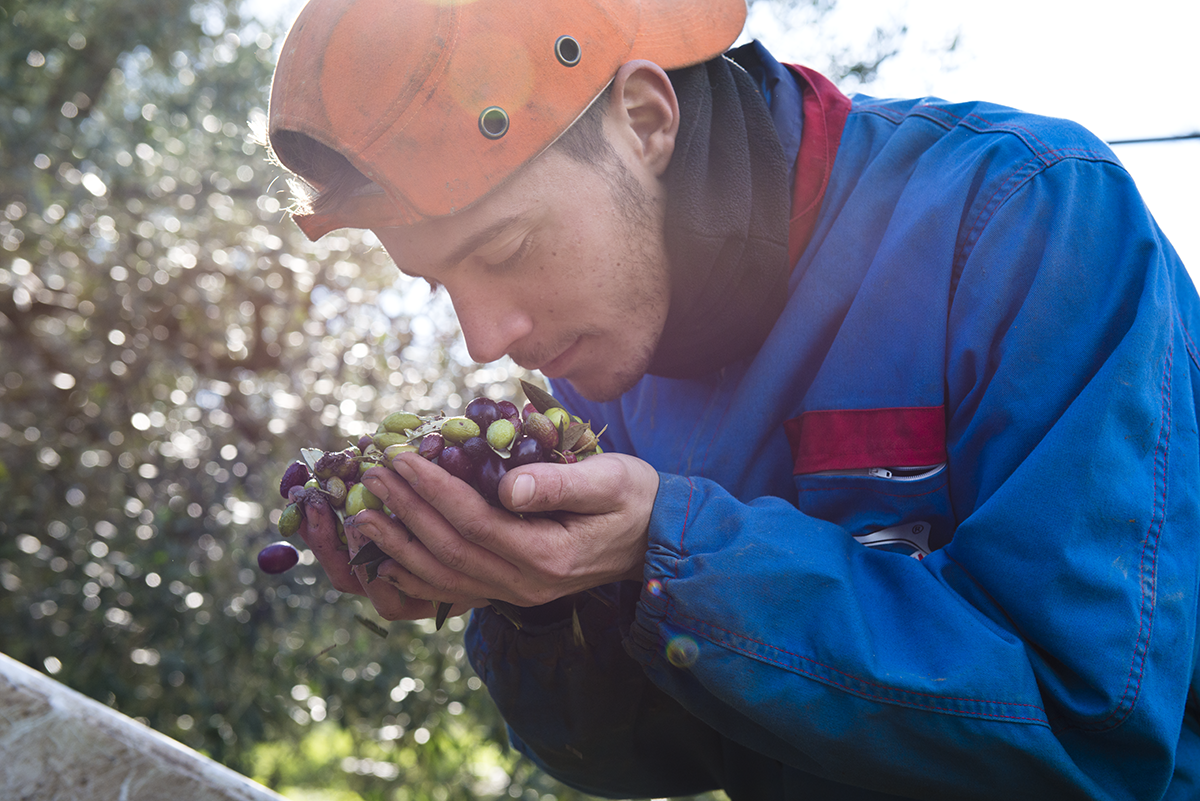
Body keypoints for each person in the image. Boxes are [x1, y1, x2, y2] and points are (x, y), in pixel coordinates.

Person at [265, 0, 1200, 797]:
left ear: (645, 119)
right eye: (438, 283)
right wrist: (540, 608)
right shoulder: (600, 364)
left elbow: (1095, 739)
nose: (484, 337)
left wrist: (671, 547)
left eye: (506, 249)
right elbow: (667, 753)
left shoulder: (1031, 216)